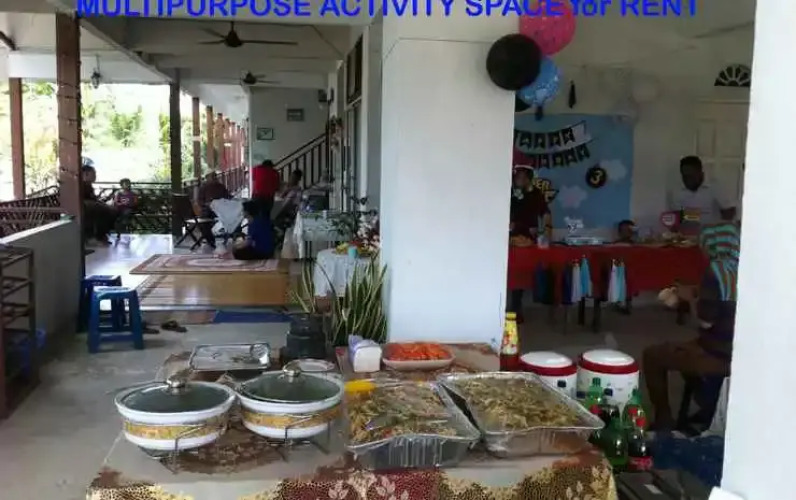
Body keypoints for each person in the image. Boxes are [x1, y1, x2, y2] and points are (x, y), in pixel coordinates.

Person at [642, 222, 739, 430]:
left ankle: (664, 420)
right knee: (685, 351)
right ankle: (709, 406)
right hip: (742, 352)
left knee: (653, 355)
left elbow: (705, 321)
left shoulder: (716, 270)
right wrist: (698, 291)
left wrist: (689, 300)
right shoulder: (747, 267)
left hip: (718, 354)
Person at [508, 166, 552, 322]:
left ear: (529, 178)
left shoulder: (536, 194)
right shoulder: (508, 192)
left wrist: (547, 230)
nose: (519, 179)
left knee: (521, 272)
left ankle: (516, 306)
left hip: (528, 238)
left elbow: (545, 213)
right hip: (508, 237)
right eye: (517, 176)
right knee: (509, 271)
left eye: (522, 176)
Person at [667, 156, 737, 224]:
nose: (688, 180)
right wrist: (703, 214)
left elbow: (730, 212)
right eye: (685, 176)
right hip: (688, 230)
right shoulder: (676, 191)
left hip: (714, 230)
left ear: (701, 173)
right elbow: (677, 216)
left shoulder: (716, 187)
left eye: (691, 176)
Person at [82, 164, 118, 245]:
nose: (95, 176)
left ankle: (102, 235)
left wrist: (103, 201)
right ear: (86, 174)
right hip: (85, 208)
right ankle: (96, 236)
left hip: (91, 206)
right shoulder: (80, 185)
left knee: (111, 210)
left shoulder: (88, 185)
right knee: (104, 211)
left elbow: (93, 198)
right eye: (93, 174)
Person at [195, 172, 231, 249]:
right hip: (208, 210)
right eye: (212, 177)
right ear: (207, 179)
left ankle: (231, 233)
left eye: (215, 177)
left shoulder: (221, 186)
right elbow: (200, 201)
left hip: (221, 210)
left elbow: (228, 197)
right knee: (204, 220)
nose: (214, 179)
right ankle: (210, 240)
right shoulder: (203, 187)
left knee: (233, 213)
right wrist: (206, 204)